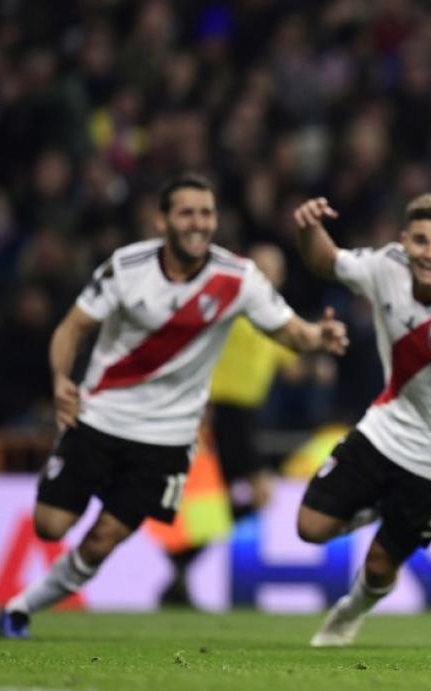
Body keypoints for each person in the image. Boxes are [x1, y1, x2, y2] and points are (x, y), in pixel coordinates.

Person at [0, 173, 348, 638]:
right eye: (186, 213)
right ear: (162, 220)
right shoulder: (127, 267)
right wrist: (62, 380)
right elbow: (72, 327)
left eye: (206, 213)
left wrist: (319, 337)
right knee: (50, 525)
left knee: (104, 540)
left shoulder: (237, 278)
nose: (198, 223)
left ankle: (21, 608)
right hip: (100, 418)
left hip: (166, 439)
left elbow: (292, 333)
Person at [292, 193, 431, 647]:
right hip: (388, 426)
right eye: (420, 241)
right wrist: (307, 227)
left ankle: (348, 613)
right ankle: (383, 505)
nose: (429, 253)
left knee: (380, 566)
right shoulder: (387, 266)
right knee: (310, 527)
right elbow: (326, 261)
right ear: (404, 241)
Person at [158, 243, 300, 606]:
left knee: (224, 501)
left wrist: (318, 363)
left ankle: (180, 569)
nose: (268, 275)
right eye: (261, 267)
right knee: (254, 494)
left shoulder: (275, 318)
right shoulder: (231, 311)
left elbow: (293, 363)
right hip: (220, 412)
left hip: (245, 418)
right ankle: (179, 567)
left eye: (273, 268)